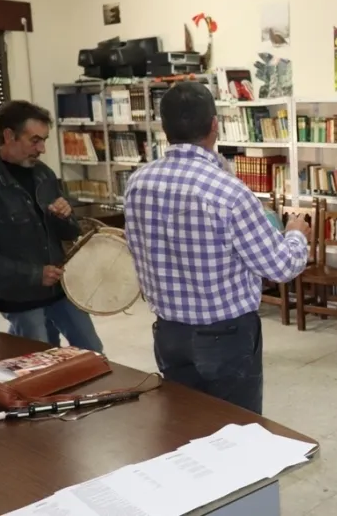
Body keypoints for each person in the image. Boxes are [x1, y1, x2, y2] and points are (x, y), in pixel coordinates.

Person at [123, 82, 312, 414]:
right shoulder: (230, 192)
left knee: (185, 421)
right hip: (226, 335)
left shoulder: (138, 183)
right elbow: (280, 268)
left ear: (163, 127)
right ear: (214, 125)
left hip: (169, 332)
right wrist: (296, 234)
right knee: (236, 429)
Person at [0, 100, 103, 352]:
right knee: (40, 359)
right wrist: (34, 275)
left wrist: (65, 217)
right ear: (9, 136)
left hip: (62, 288)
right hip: (20, 298)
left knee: (93, 351)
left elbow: (70, 232)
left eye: (44, 140)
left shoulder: (44, 174)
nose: (42, 148)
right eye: (35, 140)